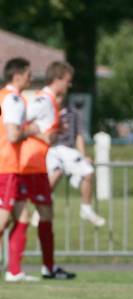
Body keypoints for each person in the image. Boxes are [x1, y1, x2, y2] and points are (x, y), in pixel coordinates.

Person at [16, 61, 76, 279]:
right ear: (58, 79)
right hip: (29, 165)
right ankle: (21, 268)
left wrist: (57, 131)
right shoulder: (42, 100)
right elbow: (18, 125)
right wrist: (43, 135)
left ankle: (45, 267)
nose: (69, 86)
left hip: (39, 164)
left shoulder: (51, 101)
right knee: (16, 215)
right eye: (68, 81)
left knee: (41, 213)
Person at [30, 99, 105, 227]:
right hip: (52, 150)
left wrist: (83, 155)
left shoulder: (73, 113)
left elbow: (78, 136)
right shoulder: (46, 112)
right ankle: (40, 209)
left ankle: (86, 208)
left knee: (87, 172)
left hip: (67, 151)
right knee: (54, 177)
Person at [0, 58, 37, 282]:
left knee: (23, 215)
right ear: (17, 75)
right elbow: (13, 135)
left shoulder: (3, 96)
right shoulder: (14, 99)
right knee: (2, 220)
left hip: (11, 166)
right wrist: (31, 130)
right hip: (7, 166)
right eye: (28, 74)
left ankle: (14, 271)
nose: (31, 78)